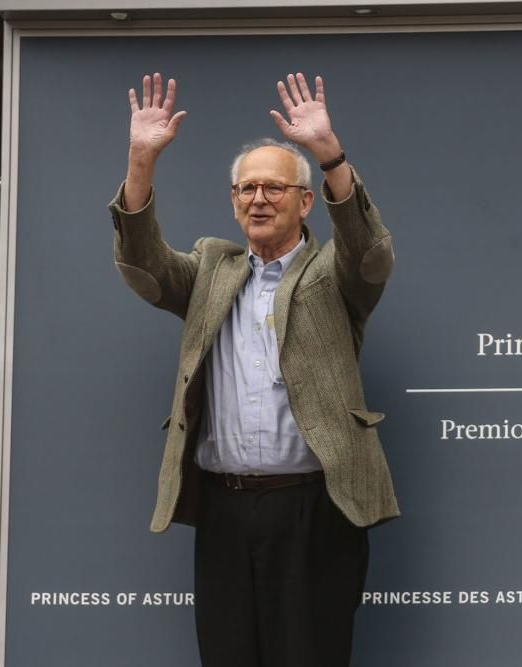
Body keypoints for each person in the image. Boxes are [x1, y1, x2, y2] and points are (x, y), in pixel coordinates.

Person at [107, 71, 399, 667]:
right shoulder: (213, 269)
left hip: (316, 508)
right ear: (234, 202)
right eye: (246, 189)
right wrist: (141, 163)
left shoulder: (332, 273)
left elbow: (370, 251)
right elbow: (143, 265)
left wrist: (329, 155)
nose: (258, 199)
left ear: (304, 200)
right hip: (225, 510)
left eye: (273, 188)